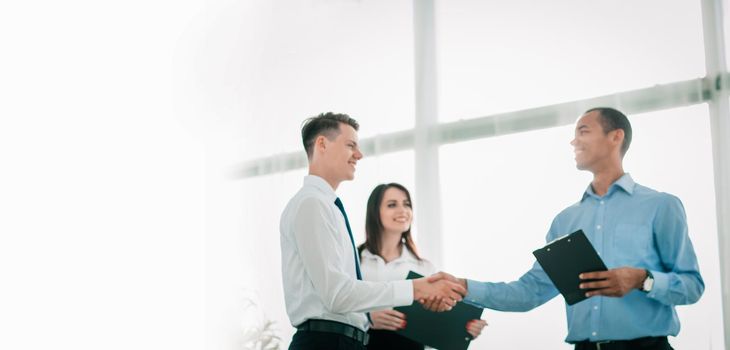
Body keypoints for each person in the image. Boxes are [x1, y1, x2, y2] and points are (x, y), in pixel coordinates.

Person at [431, 107, 704, 350]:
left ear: (615, 137)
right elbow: (530, 292)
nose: (574, 141)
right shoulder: (565, 221)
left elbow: (692, 287)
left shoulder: (660, 206)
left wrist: (643, 279)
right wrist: (464, 286)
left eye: (583, 131)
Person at [280, 112, 467, 350]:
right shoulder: (312, 204)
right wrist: (416, 288)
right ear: (322, 144)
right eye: (351, 146)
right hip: (327, 342)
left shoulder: (327, 206)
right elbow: (337, 295)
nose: (359, 155)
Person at [358, 183, 488, 350]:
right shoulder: (354, 259)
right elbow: (329, 306)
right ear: (374, 212)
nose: (402, 210)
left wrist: (466, 328)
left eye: (407, 204)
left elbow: (434, 322)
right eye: (392, 205)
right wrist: (366, 319)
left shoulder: (424, 268)